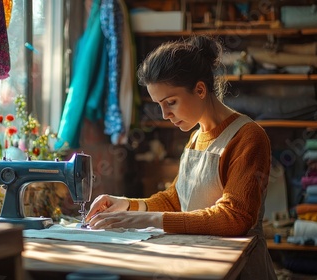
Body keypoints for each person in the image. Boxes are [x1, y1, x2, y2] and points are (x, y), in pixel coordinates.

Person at [85, 35, 277, 279]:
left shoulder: (248, 137)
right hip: (199, 261)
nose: (165, 114)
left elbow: (234, 218)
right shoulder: (197, 136)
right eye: (159, 105)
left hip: (240, 269)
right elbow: (175, 200)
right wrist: (127, 204)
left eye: (171, 102)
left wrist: (142, 219)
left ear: (199, 89)